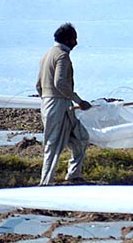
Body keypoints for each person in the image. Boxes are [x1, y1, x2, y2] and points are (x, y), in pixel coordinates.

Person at [36, 23, 92, 186]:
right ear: (68, 40)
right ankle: (45, 183)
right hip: (58, 105)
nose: (76, 43)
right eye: (74, 39)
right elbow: (60, 82)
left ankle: (74, 174)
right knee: (53, 145)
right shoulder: (62, 56)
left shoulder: (47, 55)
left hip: (53, 103)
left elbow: (38, 85)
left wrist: (47, 99)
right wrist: (78, 101)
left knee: (81, 138)